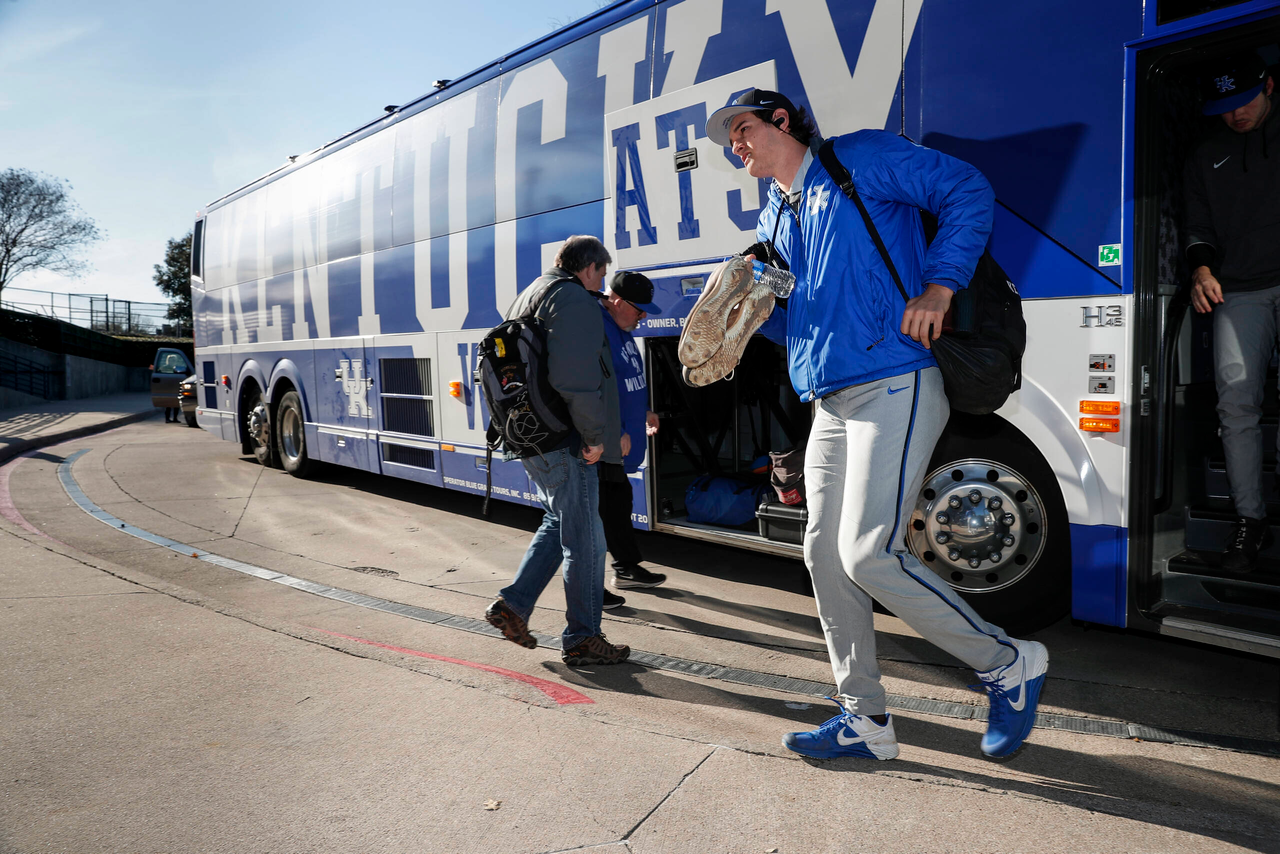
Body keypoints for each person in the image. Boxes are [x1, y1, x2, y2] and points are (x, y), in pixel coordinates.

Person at [704, 89, 1048, 760]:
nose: (734, 145)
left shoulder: (856, 159)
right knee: (823, 557)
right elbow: (803, 317)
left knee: (868, 553)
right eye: (728, 140)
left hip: (896, 375)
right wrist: (744, 322)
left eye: (741, 129)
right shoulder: (775, 212)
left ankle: (1008, 662)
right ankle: (865, 719)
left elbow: (967, 190)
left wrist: (940, 284)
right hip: (829, 397)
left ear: (781, 121)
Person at [484, 235, 631, 666]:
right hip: (563, 438)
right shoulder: (572, 300)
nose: (601, 286)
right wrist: (593, 436)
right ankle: (583, 638)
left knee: (559, 519)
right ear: (588, 267)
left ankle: (513, 606)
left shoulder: (529, 294)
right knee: (586, 540)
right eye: (601, 275)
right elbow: (575, 378)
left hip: (531, 435)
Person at [1183, 53, 1279, 572]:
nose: (1235, 116)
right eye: (1225, 108)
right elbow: (1197, 225)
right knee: (1236, 405)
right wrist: (1201, 271)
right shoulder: (1207, 152)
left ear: (1268, 85)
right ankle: (1251, 522)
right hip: (1238, 288)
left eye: (1244, 102)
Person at [597, 271, 668, 593]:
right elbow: (595, 389)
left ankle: (625, 568)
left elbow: (627, 380)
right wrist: (614, 431)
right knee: (596, 515)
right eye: (638, 309)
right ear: (617, 301)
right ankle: (590, 590)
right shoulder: (598, 330)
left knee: (617, 505)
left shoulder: (621, 329)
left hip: (619, 444)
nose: (642, 316)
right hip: (605, 445)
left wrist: (645, 410)